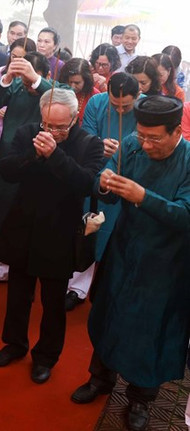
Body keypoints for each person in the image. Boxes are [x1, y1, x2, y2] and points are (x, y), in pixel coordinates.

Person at [71, 96, 190, 431]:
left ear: (176, 131)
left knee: (152, 330)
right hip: (124, 249)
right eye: (141, 135)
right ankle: (100, 378)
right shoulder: (132, 144)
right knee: (110, 313)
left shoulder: (189, 160)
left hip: (166, 262)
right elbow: (106, 181)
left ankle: (141, 398)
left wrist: (143, 196)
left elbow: (186, 214)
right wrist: (105, 183)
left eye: (154, 138)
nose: (146, 143)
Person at [0, 89, 104, 384]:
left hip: (60, 230)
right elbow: (6, 170)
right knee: (17, 294)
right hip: (23, 224)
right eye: (47, 125)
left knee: (53, 302)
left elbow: (85, 183)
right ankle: (14, 344)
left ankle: (46, 357)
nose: (52, 131)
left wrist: (54, 155)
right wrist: (34, 154)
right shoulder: (29, 132)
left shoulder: (88, 143)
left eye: (60, 127)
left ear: (75, 117)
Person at [64, 73, 139, 311]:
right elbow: (86, 135)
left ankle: (109, 290)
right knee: (88, 228)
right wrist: (100, 143)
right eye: (114, 104)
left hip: (127, 175)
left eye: (125, 106)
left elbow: (144, 141)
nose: (119, 109)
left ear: (138, 97)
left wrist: (125, 149)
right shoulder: (97, 102)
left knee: (116, 235)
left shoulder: (144, 109)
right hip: (96, 169)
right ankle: (76, 287)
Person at [0, 51, 53, 285]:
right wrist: (7, 77)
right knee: (1, 210)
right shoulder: (15, 87)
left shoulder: (52, 88)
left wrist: (35, 79)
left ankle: (24, 266)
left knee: (31, 212)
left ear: (46, 74)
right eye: (24, 79)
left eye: (31, 77)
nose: (27, 83)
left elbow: (62, 97)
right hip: (9, 155)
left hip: (39, 159)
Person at [0, 38, 37, 176]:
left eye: (22, 58)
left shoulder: (34, 80)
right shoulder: (2, 72)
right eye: (14, 56)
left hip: (16, 127)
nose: (17, 61)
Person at [58, 58, 99, 122]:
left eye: (77, 83)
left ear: (86, 81)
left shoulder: (95, 96)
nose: (72, 86)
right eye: (69, 82)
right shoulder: (58, 91)